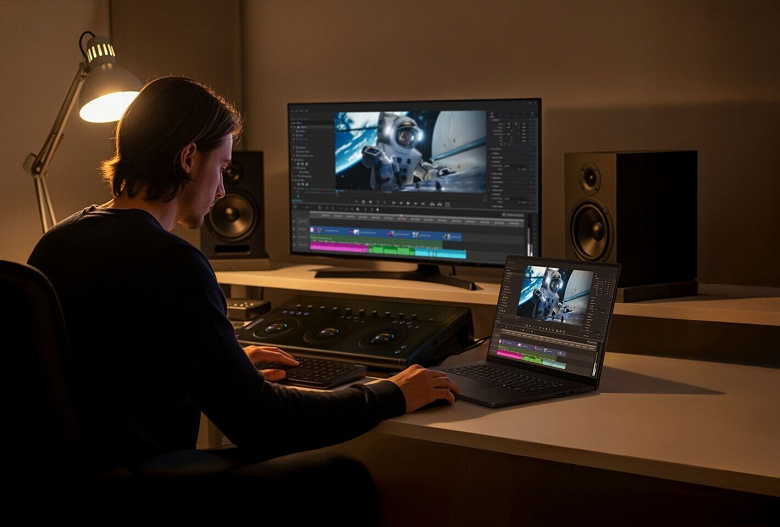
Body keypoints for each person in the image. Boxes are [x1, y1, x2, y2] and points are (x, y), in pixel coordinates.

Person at [27, 76, 459, 523]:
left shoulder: (57, 242)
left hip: (66, 488)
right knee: (344, 479)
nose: (221, 190)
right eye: (221, 168)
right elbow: (263, 422)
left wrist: (222, 364)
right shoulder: (172, 262)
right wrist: (389, 394)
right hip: (143, 489)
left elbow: (110, 370)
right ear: (188, 158)